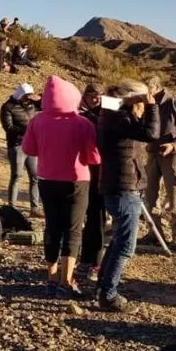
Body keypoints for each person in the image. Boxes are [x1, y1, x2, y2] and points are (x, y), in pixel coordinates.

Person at [22, 76, 101, 297]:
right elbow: (94, 158)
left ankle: (52, 276)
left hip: (47, 181)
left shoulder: (37, 121)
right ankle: (67, 281)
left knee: (52, 228)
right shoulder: (82, 123)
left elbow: (29, 149)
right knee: (73, 230)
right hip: (76, 181)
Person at [95, 81, 160, 313]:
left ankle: (103, 287)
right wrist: (151, 107)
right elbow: (152, 133)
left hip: (119, 186)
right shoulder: (118, 118)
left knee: (118, 240)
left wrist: (135, 101)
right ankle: (108, 295)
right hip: (123, 187)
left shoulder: (113, 114)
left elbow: (107, 102)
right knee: (125, 246)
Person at [139, 76, 176, 252]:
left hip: (174, 156)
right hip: (152, 153)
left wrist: (174, 145)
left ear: (156, 89)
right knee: (150, 195)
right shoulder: (144, 104)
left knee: (175, 196)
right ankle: (155, 234)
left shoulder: (175, 104)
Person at [75, 83, 105, 283]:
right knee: (93, 216)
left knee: (97, 217)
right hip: (88, 172)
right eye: (91, 95)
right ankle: (90, 260)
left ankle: (92, 259)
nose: (96, 99)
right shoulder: (81, 116)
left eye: (99, 95)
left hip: (103, 171)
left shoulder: (105, 111)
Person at [0, 83, 43, 217]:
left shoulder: (32, 104)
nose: (28, 97)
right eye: (26, 95)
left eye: (29, 95)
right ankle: (12, 207)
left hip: (31, 144)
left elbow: (47, 105)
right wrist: (29, 130)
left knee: (35, 176)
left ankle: (34, 208)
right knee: (17, 175)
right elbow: (9, 128)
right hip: (17, 145)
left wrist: (40, 98)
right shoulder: (8, 107)